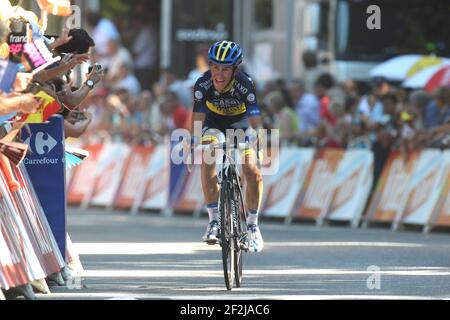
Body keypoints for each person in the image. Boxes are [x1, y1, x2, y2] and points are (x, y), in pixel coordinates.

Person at [190, 40, 264, 253]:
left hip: (240, 125)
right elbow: (197, 118)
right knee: (209, 157)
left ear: (234, 70)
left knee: (252, 171)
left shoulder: (245, 83)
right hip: (214, 125)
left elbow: (254, 117)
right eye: (215, 68)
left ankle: (252, 226)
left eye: (225, 69)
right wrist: (194, 141)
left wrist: (257, 137)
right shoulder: (202, 84)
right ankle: (214, 220)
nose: (219, 75)